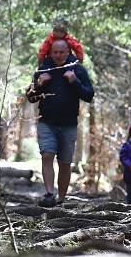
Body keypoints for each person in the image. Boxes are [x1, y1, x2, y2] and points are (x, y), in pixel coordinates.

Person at [27, 40, 95, 207]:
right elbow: (30, 97)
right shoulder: (43, 69)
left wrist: (74, 81)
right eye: (55, 52)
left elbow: (89, 95)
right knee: (47, 154)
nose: (57, 56)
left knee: (65, 162)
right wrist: (38, 85)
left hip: (69, 124)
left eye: (61, 52)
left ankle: (61, 199)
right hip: (46, 122)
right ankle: (49, 193)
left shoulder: (77, 70)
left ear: (68, 52)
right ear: (50, 53)